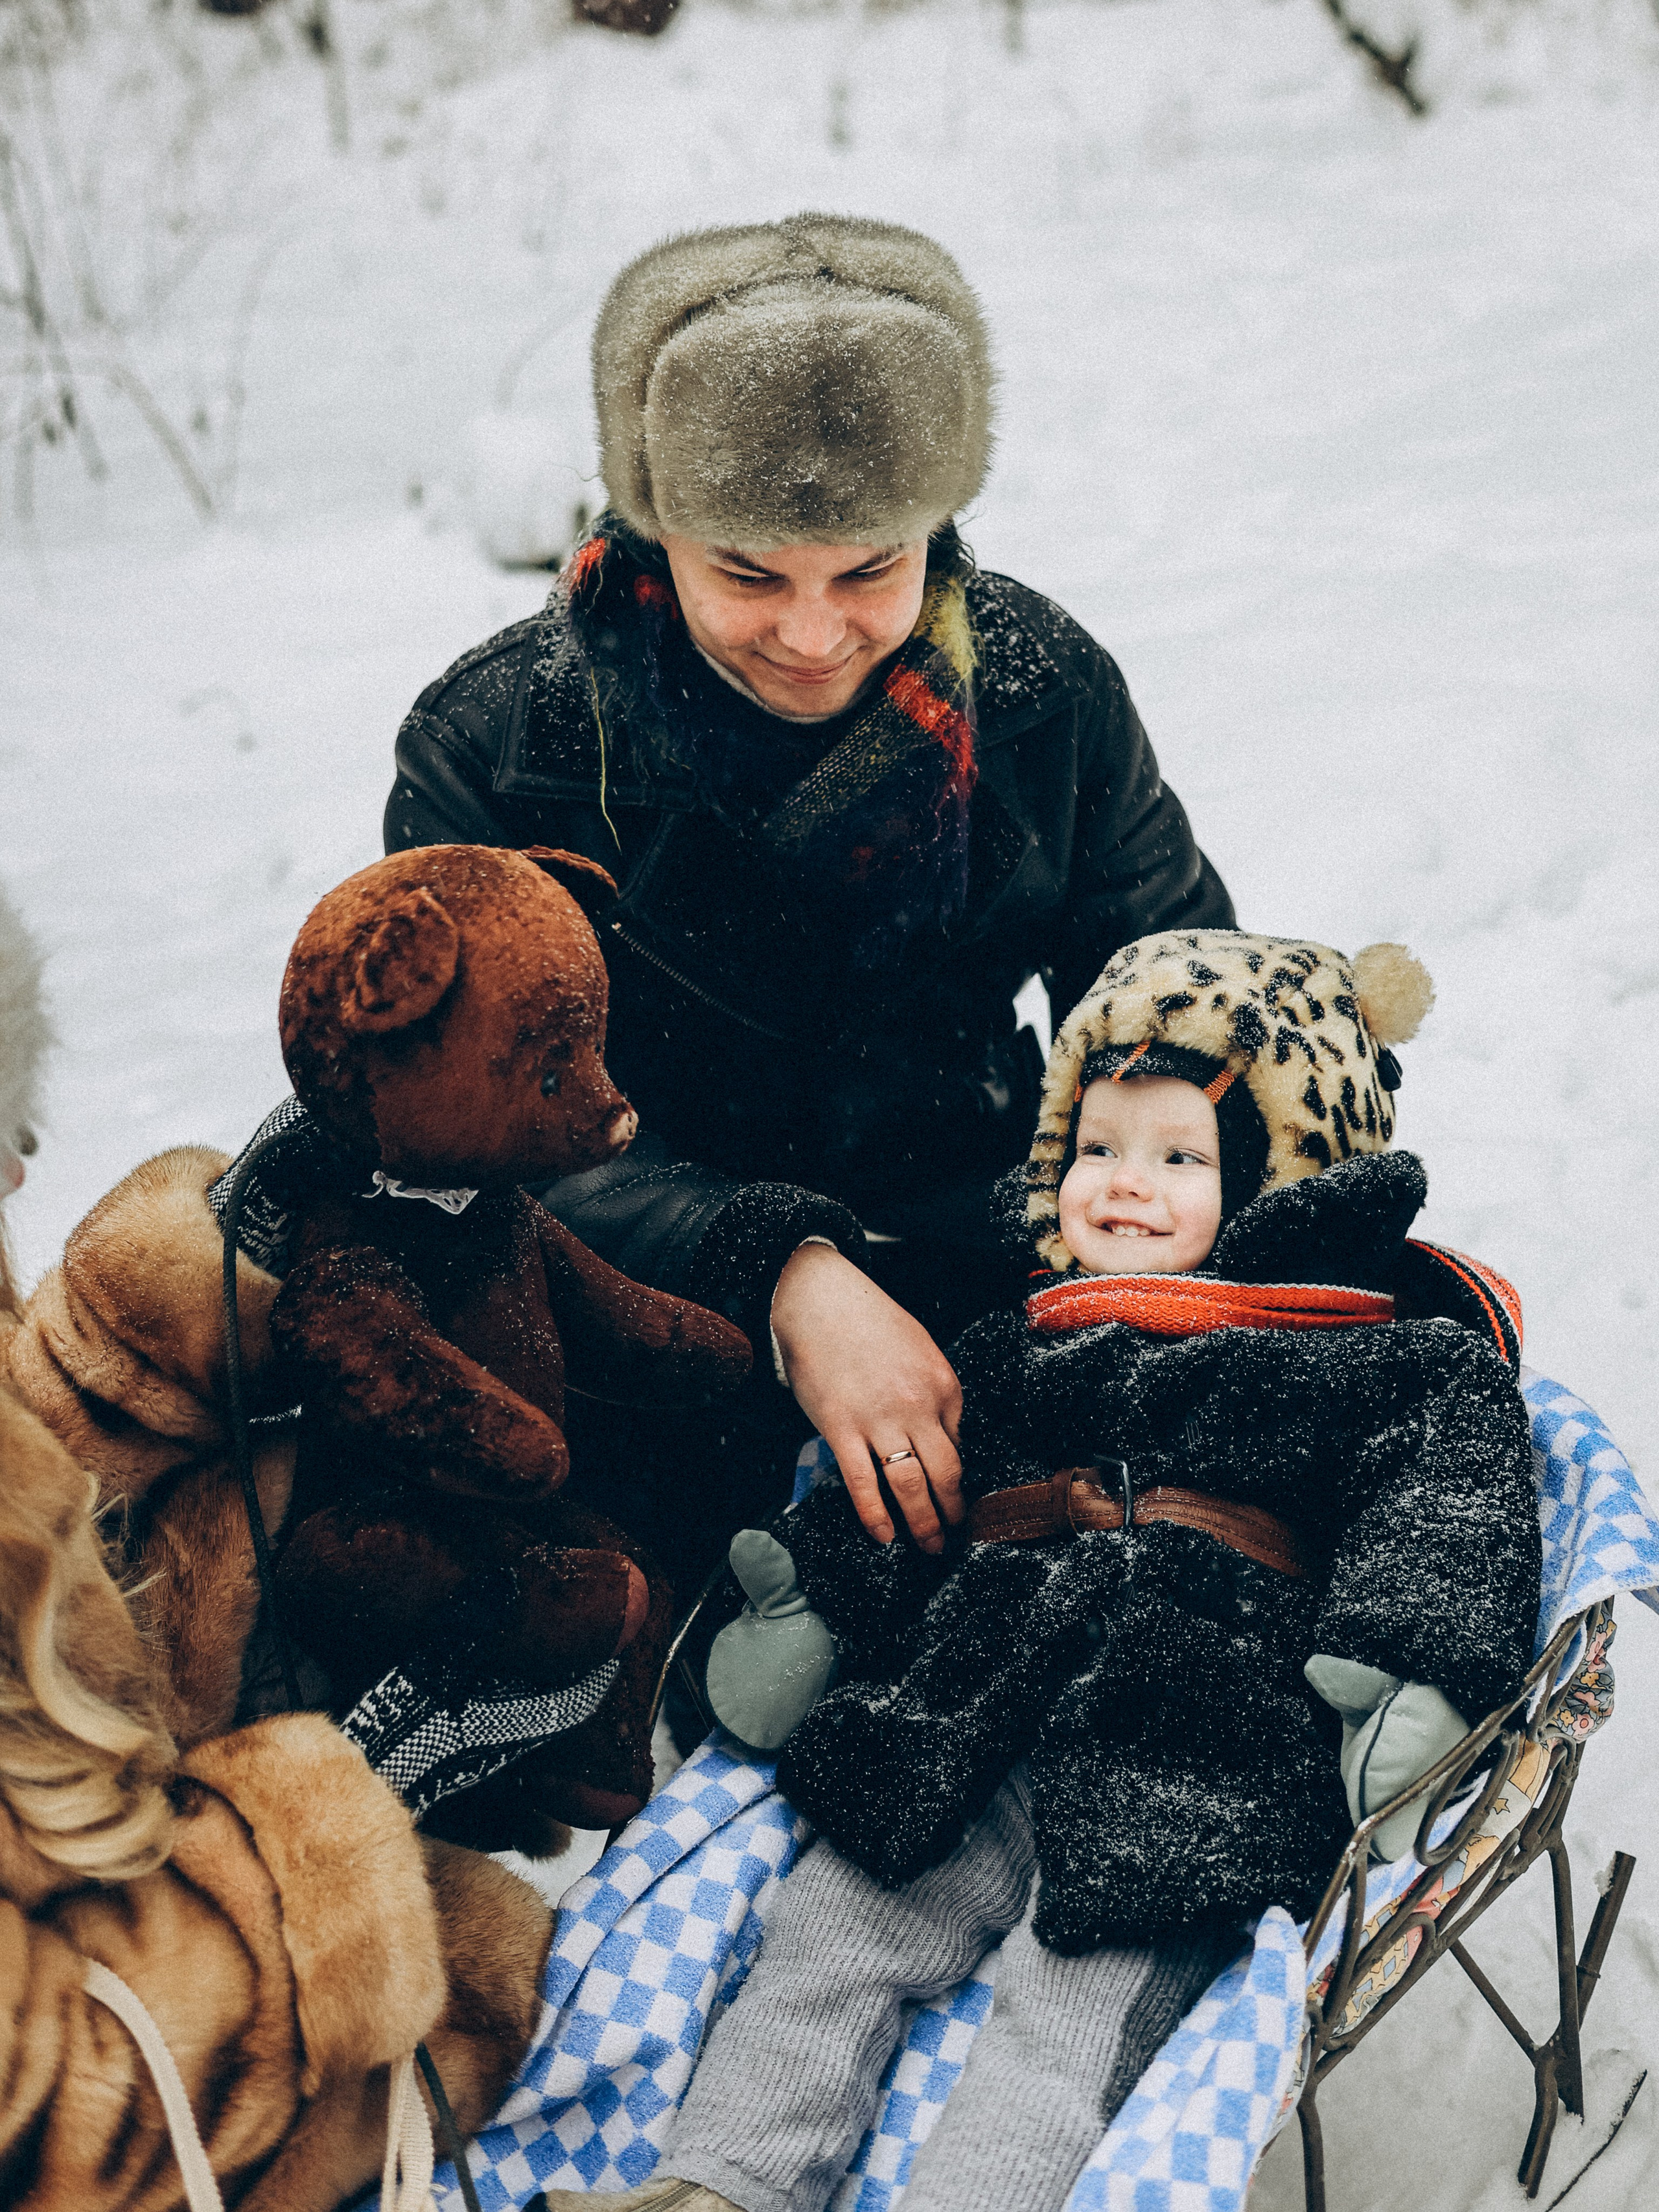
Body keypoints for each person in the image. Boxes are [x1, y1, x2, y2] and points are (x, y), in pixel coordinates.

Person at [544, 927, 1542, 2212]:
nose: (1123, 1186)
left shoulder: (1381, 1359)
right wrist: (816, 1600)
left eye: (1180, 1157)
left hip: (1190, 1756)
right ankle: (718, 2187)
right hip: (960, 1719)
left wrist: (1408, 1668)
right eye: (1095, 1149)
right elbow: (919, 1481)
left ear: (1284, 1178)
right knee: (825, 1946)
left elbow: (1446, 1501)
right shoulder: (1020, 1342)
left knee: (1062, 2034)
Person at [383, 213, 1235, 1588]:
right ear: (657, 531)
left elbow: (1168, 995)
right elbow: (468, 1132)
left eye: (868, 569)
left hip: (984, 1247)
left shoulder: (1041, 690)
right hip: (630, 1314)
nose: (810, 631)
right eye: (746, 573)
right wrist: (783, 1269)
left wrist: (1170, 1183)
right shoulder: (500, 746)